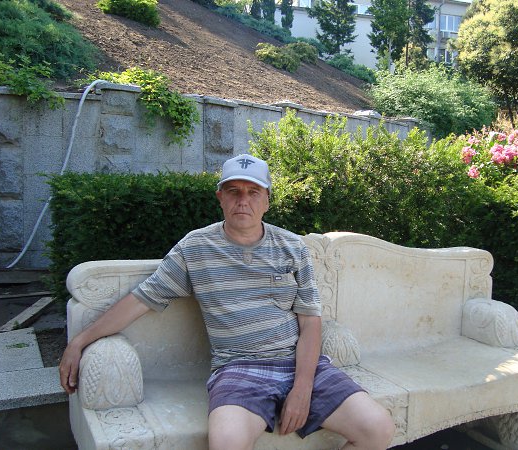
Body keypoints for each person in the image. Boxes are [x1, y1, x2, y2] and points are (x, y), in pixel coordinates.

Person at [59, 153, 395, 450]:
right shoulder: (195, 248)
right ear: (220, 198)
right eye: (233, 191)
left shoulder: (292, 247)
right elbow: (141, 300)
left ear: (267, 200)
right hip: (238, 369)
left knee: (378, 429)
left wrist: (302, 387)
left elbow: (310, 322)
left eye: (253, 192)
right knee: (227, 443)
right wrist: (79, 341)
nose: (242, 200)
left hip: (300, 364)